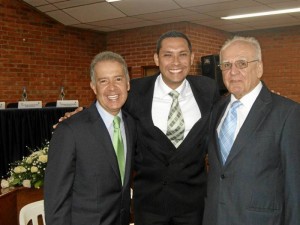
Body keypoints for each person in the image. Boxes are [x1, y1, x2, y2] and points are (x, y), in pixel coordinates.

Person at [56, 31, 219, 225]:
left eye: (182, 54)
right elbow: (109, 105)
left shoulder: (208, 89)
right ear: (156, 59)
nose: (176, 62)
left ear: (192, 58)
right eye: (168, 55)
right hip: (149, 206)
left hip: (194, 204)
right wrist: (80, 116)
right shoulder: (135, 91)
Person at [203, 36, 300, 225]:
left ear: (260, 68)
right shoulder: (216, 110)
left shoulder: (288, 114)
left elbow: (295, 188)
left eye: (242, 63)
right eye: (226, 65)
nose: (233, 72)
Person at [44, 51, 136, 225]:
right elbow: (56, 201)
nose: (112, 88)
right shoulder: (70, 130)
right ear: (93, 87)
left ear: (128, 83)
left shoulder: (131, 124)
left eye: (118, 79)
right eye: (103, 81)